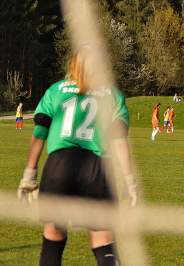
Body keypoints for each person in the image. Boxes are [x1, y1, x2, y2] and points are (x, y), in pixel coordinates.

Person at [17, 50, 137, 266]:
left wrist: (29, 173)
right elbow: (119, 141)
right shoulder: (113, 95)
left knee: (53, 234)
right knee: (103, 238)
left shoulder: (55, 90)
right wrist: (129, 181)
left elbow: (39, 135)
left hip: (58, 166)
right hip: (96, 167)